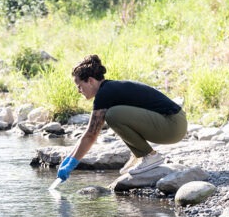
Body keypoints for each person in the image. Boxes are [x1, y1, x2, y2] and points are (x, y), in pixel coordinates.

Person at [57, 54, 187, 182]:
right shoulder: (110, 89)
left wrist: (72, 163)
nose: (79, 91)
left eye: (79, 86)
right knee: (116, 115)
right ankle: (139, 157)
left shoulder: (105, 93)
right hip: (175, 123)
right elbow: (89, 134)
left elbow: (91, 135)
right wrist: (69, 158)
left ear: (90, 81)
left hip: (172, 125)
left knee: (113, 115)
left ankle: (150, 156)